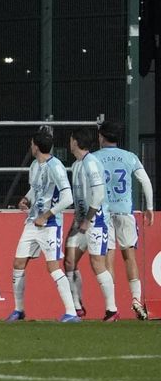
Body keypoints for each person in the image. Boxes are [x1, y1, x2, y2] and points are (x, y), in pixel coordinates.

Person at [5, 128, 81, 322]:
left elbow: (67, 197)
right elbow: (35, 189)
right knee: (18, 263)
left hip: (50, 224)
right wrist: (26, 199)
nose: (30, 146)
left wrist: (46, 215)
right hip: (32, 222)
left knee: (53, 267)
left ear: (36, 146)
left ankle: (71, 312)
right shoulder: (34, 165)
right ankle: (19, 310)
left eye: (31, 144)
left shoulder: (55, 167)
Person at [93, 119, 155, 319]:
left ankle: (112, 307)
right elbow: (145, 181)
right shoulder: (129, 157)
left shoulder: (94, 158)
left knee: (109, 256)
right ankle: (136, 299)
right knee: (129, 256)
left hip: (104, 212)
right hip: (125, 211)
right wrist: (149, 207)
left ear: (102, 137)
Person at [66, 128, 118, 321]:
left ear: (76, 142)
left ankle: (112, 309)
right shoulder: (77, 165)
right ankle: (78, 306)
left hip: (96, 222)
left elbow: (99, 195)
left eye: (71, 140)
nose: (69, 142)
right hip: (80, 223)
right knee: (70, 261)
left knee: (97, 263)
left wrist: (88, 219)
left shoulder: (92, 164)